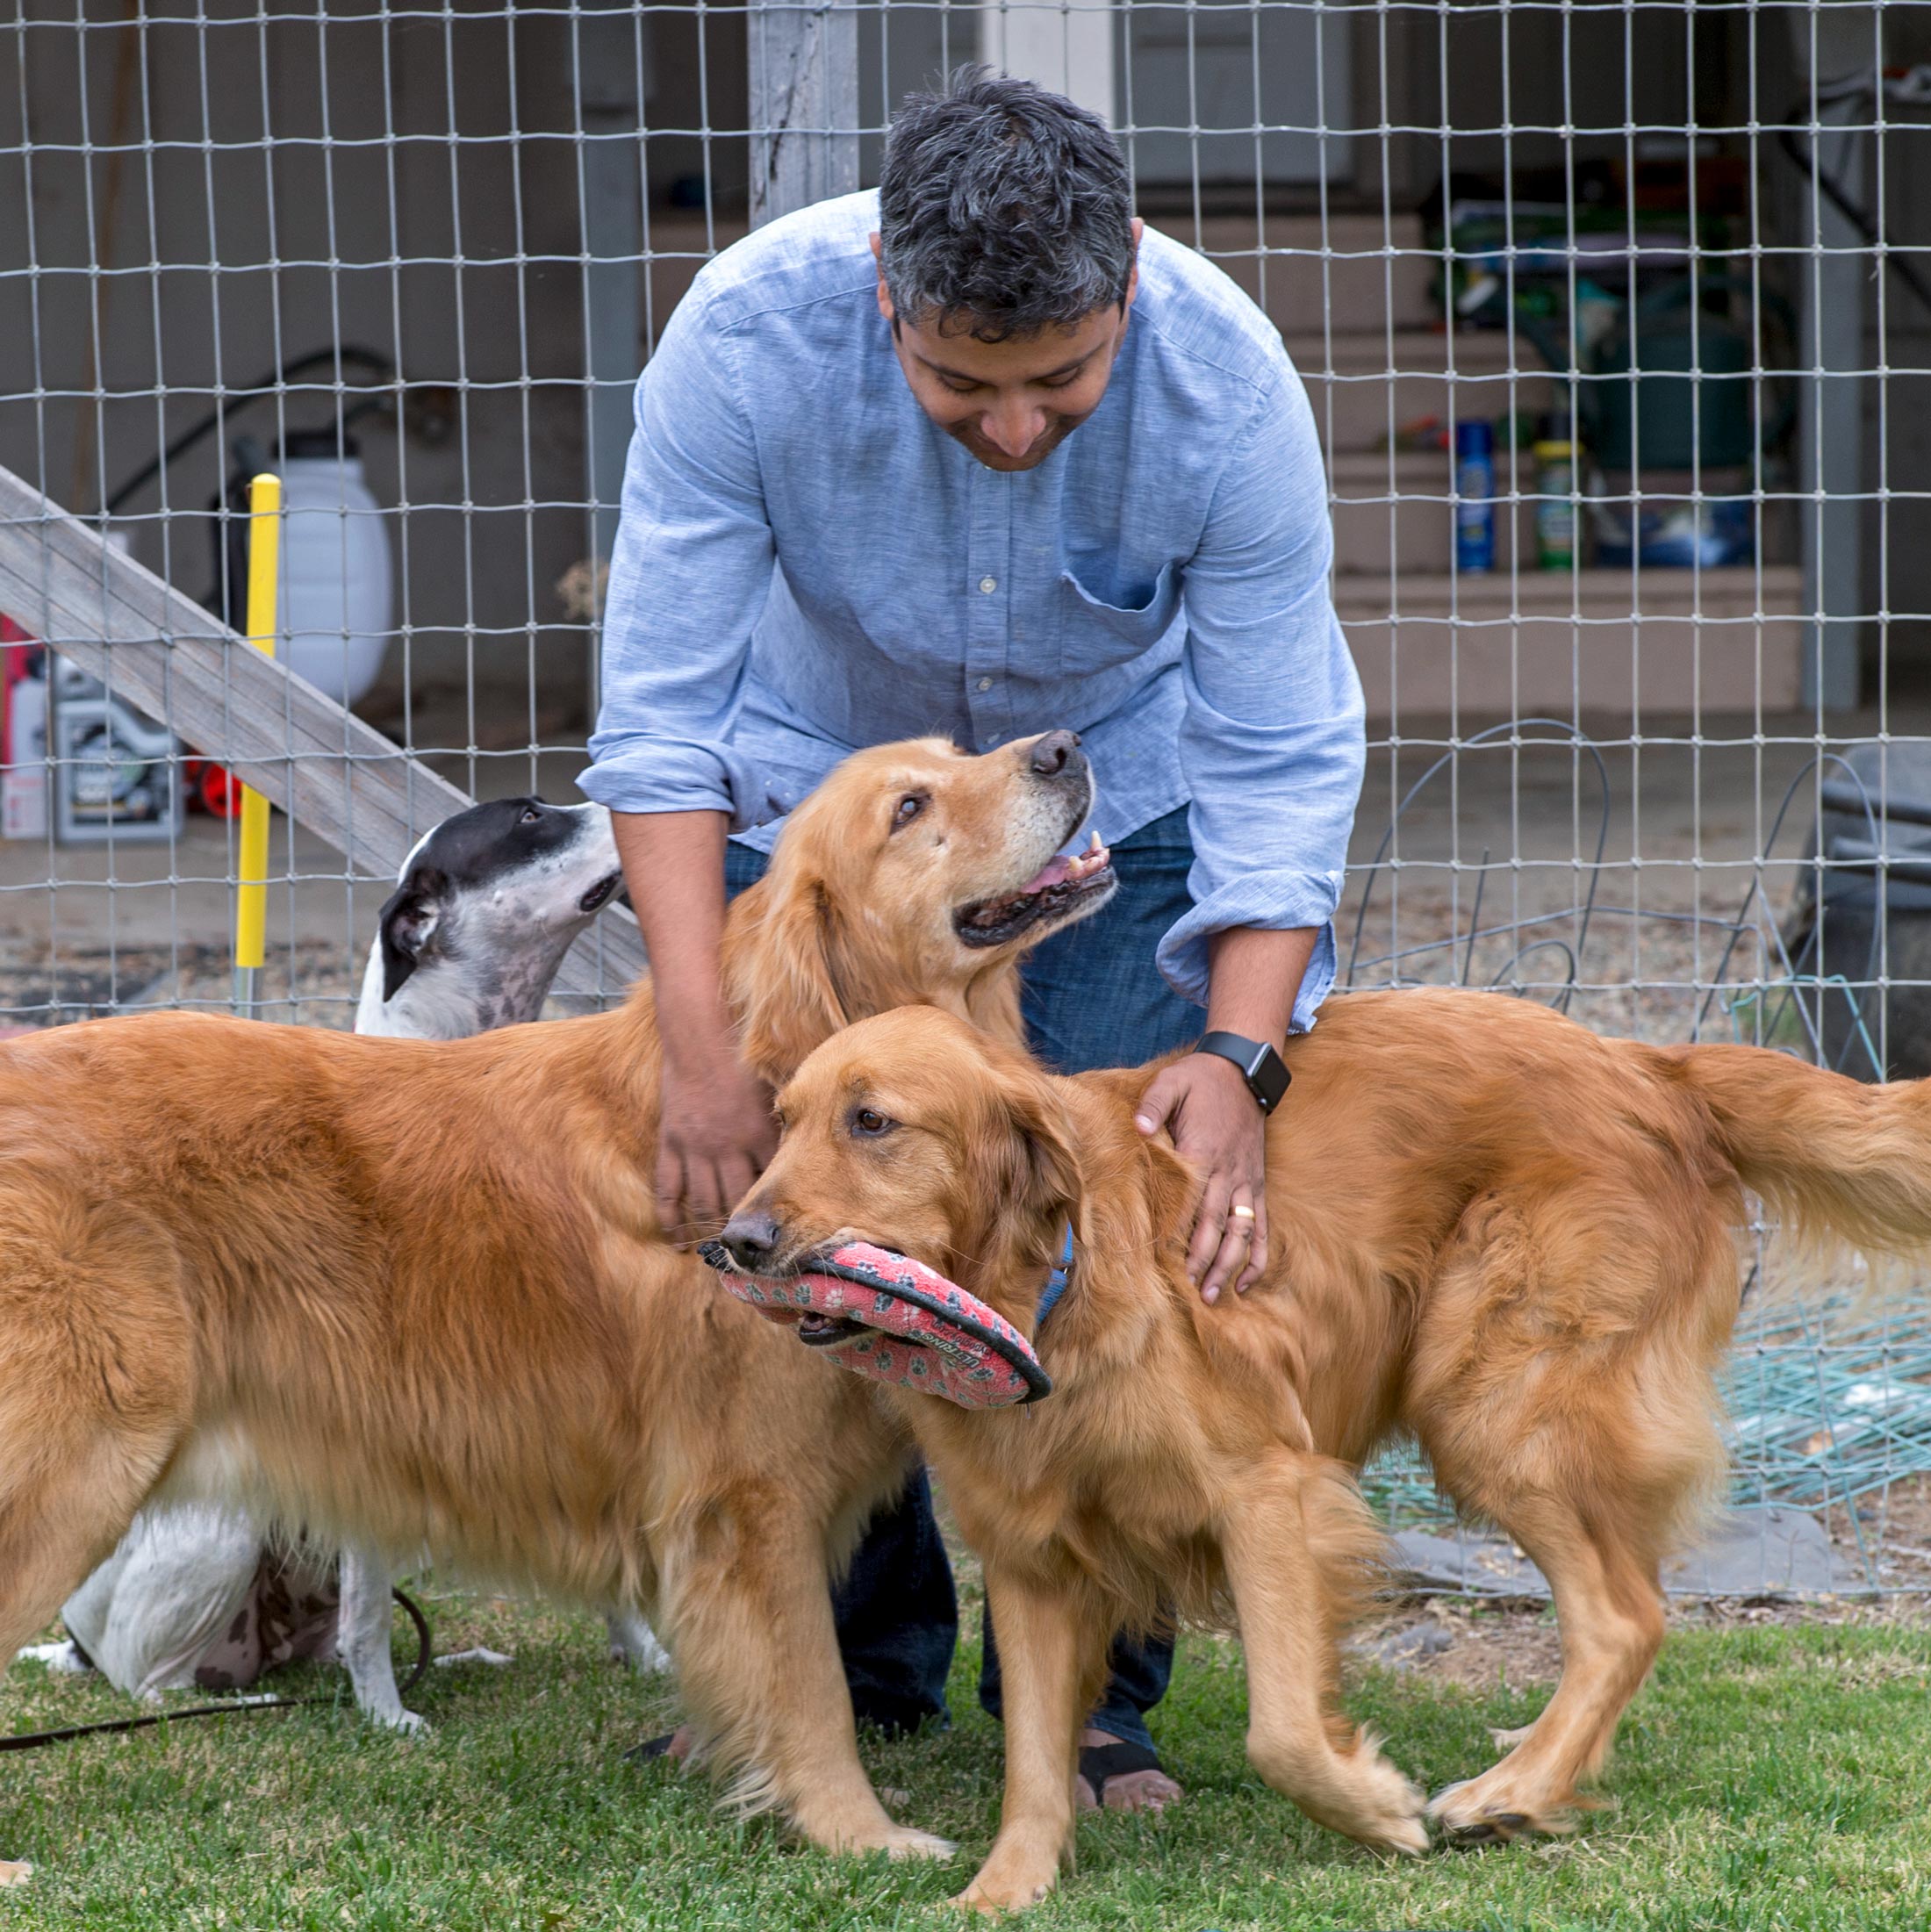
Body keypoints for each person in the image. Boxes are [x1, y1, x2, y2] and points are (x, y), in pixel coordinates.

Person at [582, 68, 1365, 1812]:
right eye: (962, 386)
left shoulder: (1229, 389)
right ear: (887, 298)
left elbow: (1280, 750)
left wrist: (1237, 1057)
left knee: (1102, 1234)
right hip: (821, 799)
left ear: (1127, 290)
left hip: (1119, 803)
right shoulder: (743, 343)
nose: (1015, 428)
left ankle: (1089, 1699)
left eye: (1060, 384)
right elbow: (660, 723)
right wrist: (701, 1054)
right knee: (824, 1221)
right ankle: (855, 1670)